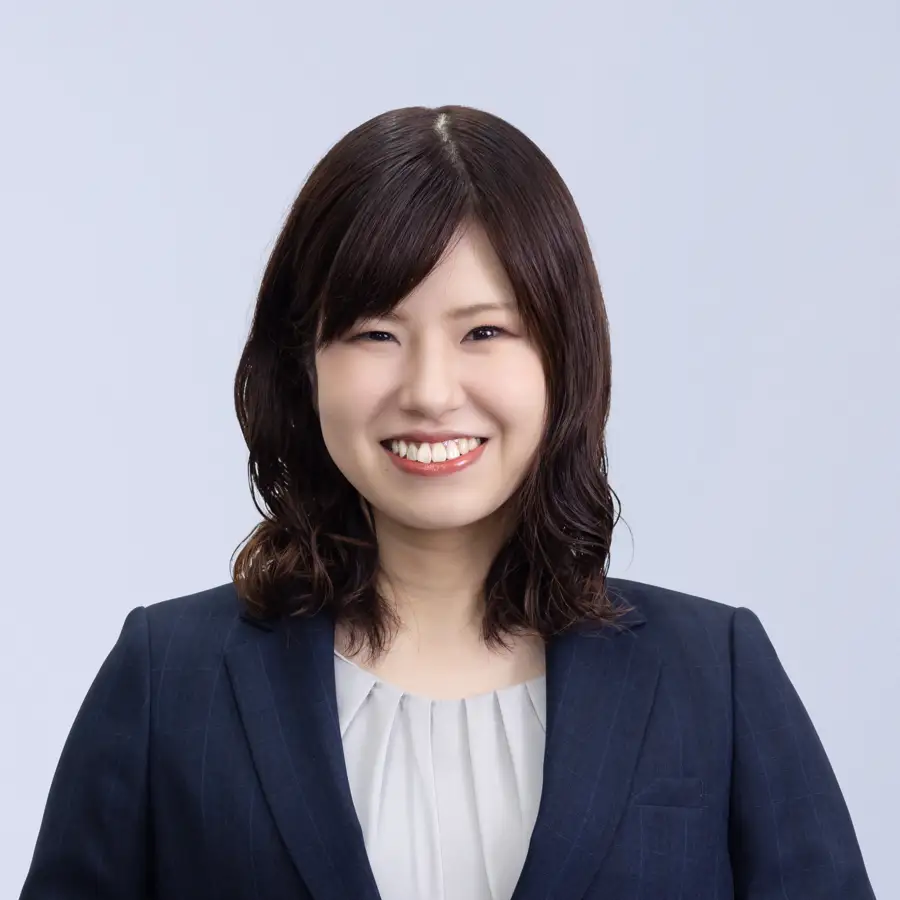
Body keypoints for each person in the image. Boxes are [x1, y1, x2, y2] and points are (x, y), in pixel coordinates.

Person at [19, 105, 875, 900]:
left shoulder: (714, 676)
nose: (430, 391)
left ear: (564, 357)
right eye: (375, 334)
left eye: (484, 332)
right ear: (304, 364)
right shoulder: (168, 678)